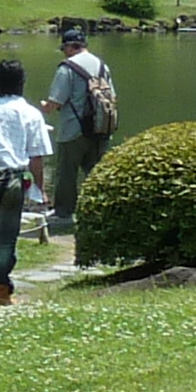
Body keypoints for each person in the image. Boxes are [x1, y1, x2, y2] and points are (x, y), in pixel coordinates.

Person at [0, 59, 54, 307]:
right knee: (8, 237)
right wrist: (41, 188)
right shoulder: (30, 113)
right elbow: (36, 157)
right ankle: (0, 287)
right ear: (21, 82)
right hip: (15, 179)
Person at [45, 24, 117, 236]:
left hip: (73, 130)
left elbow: (55, 102)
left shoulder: (67, 68)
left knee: (66, 172)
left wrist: (44, 107)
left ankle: (64, 213)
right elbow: (112, 97)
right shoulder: (102, 66)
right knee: (96, 173)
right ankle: (100, 210)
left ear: (69, 47)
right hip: (101, 128)